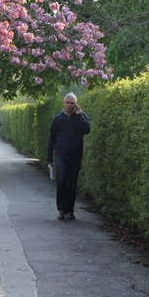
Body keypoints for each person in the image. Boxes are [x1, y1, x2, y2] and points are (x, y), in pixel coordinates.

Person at [46, 93, 90, 221]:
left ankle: (70, 209)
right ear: (64, 103)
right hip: (61, 155)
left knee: (72, 183)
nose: (70, 105)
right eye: (68, 102)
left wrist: (80, 115)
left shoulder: (80, 117)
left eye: (73, 103)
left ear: (76, 105)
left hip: (76, 155)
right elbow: (51, 139)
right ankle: (61, 209)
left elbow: (87, 130)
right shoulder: (57, 119)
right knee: (62, 180)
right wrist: (49, 157)